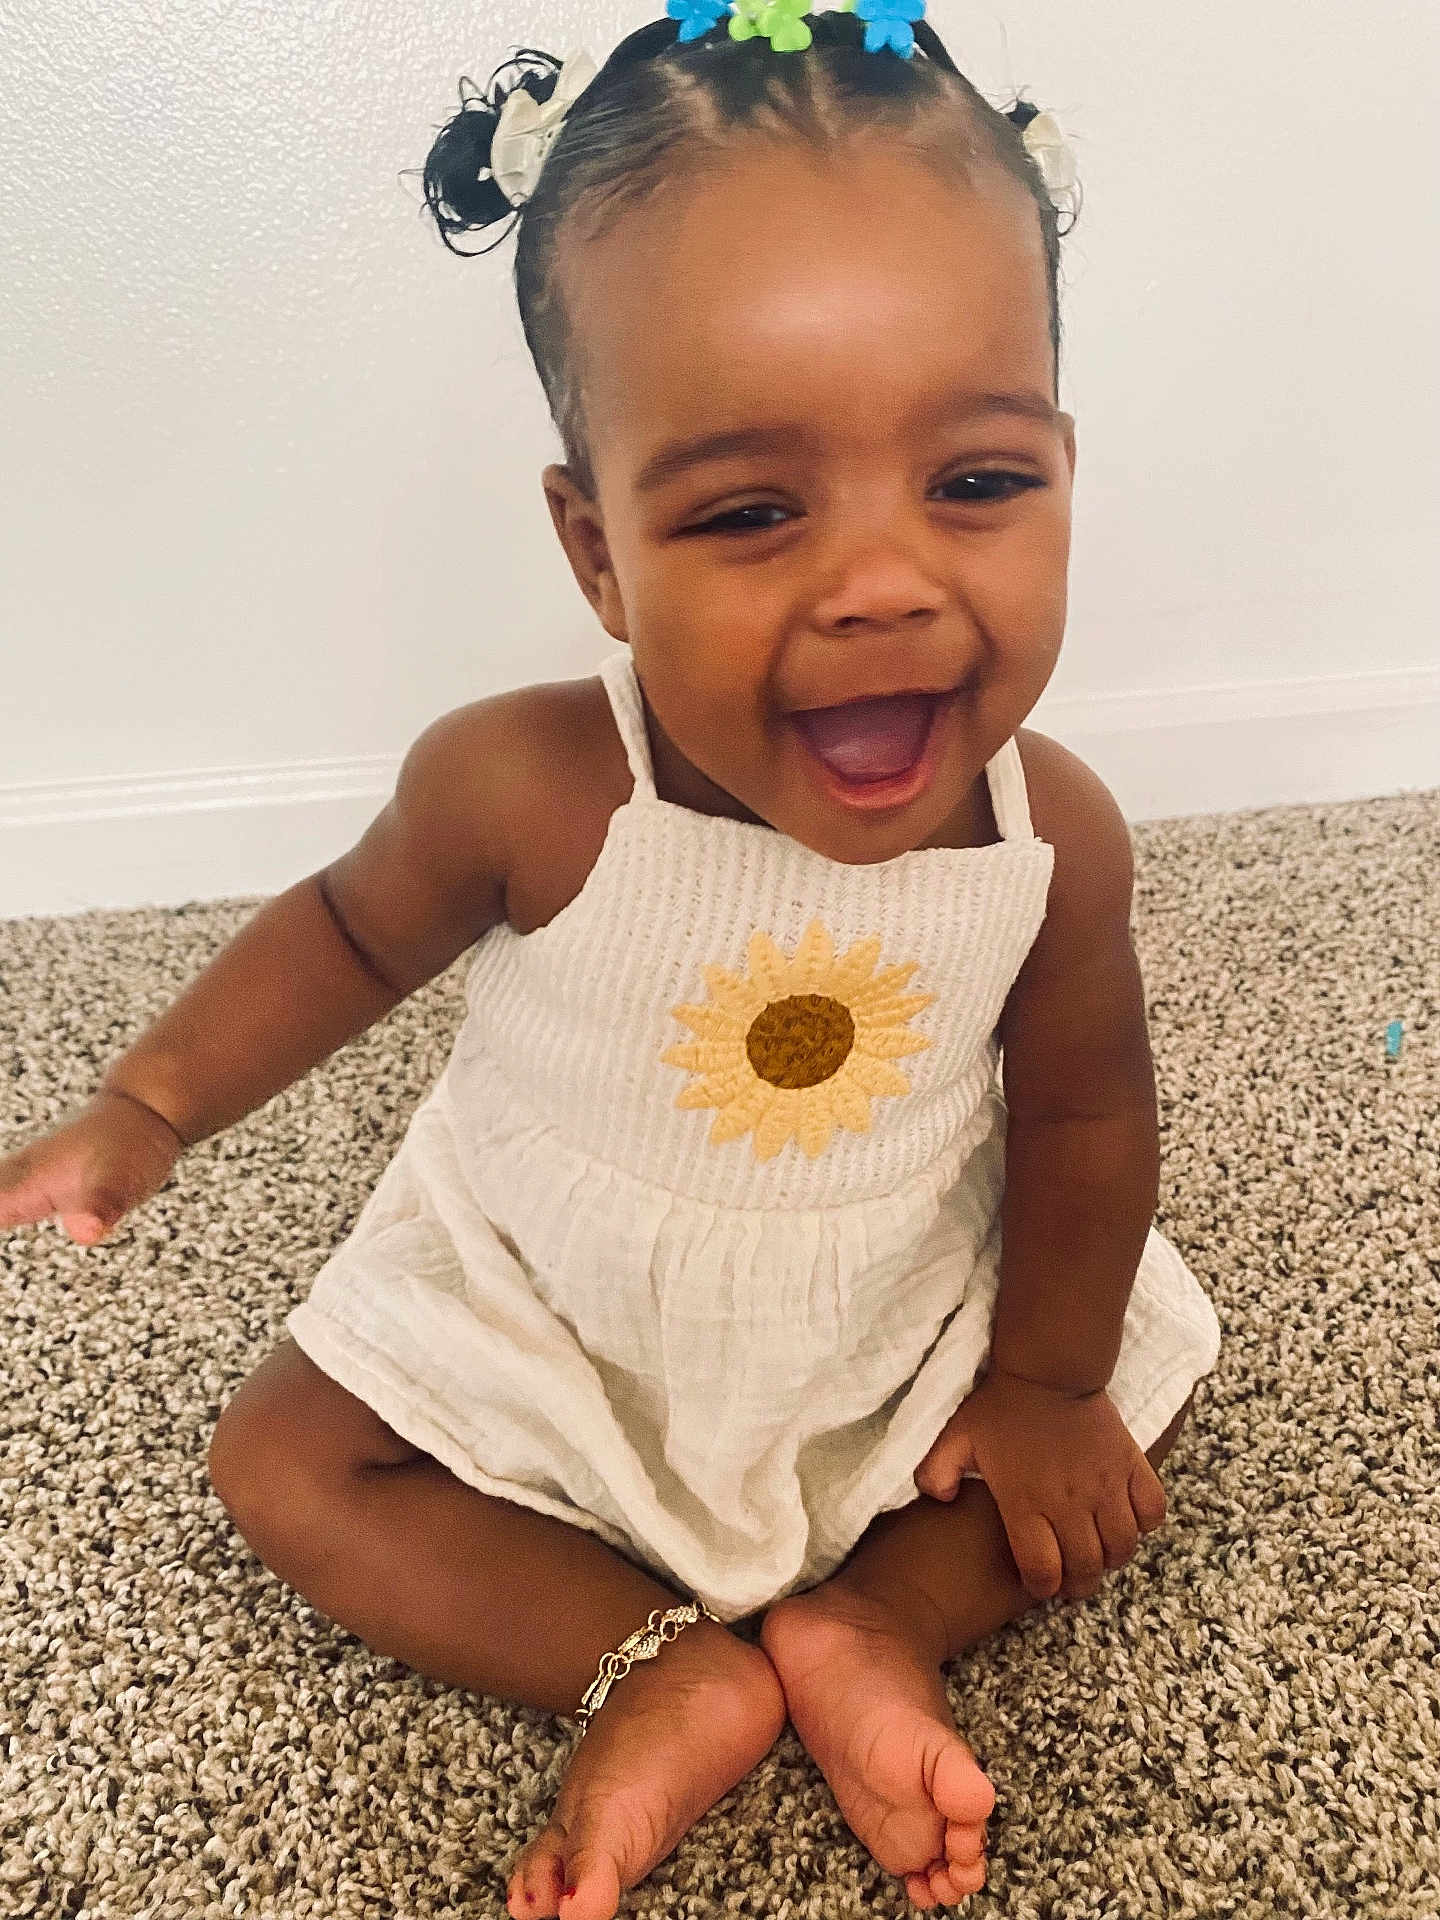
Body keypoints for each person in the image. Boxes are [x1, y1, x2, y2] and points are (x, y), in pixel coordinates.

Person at [0, 5, 1223, 1914]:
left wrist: (1051, 1381)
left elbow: (1083, 1110)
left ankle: (866, 1631)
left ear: (1065, 464)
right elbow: (341, 933)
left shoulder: (1052, 835)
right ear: (595, 550)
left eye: (977, 483)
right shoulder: (531, 786)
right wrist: (146, 1104)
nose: (884, 581)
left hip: (886, 1278)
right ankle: (647, 1663)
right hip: (559, 1296)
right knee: (283, 1467)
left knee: (1123, 1417)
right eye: (749, 512)